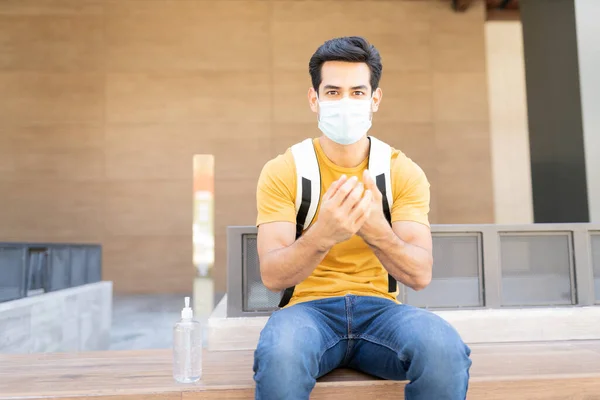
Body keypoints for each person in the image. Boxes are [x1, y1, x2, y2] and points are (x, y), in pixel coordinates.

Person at [252, 36, 471, 400]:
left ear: (375, 100)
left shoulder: (401, 171)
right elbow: (272, 276)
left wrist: (375, 230)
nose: (345, 103)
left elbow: (420, 274)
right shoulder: (285, 170)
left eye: (357, 92)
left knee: (443, 350)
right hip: (307, 314)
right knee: (281, 356)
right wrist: (323, 233)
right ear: (314, 99)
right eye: (333, 92)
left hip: (381, 313)